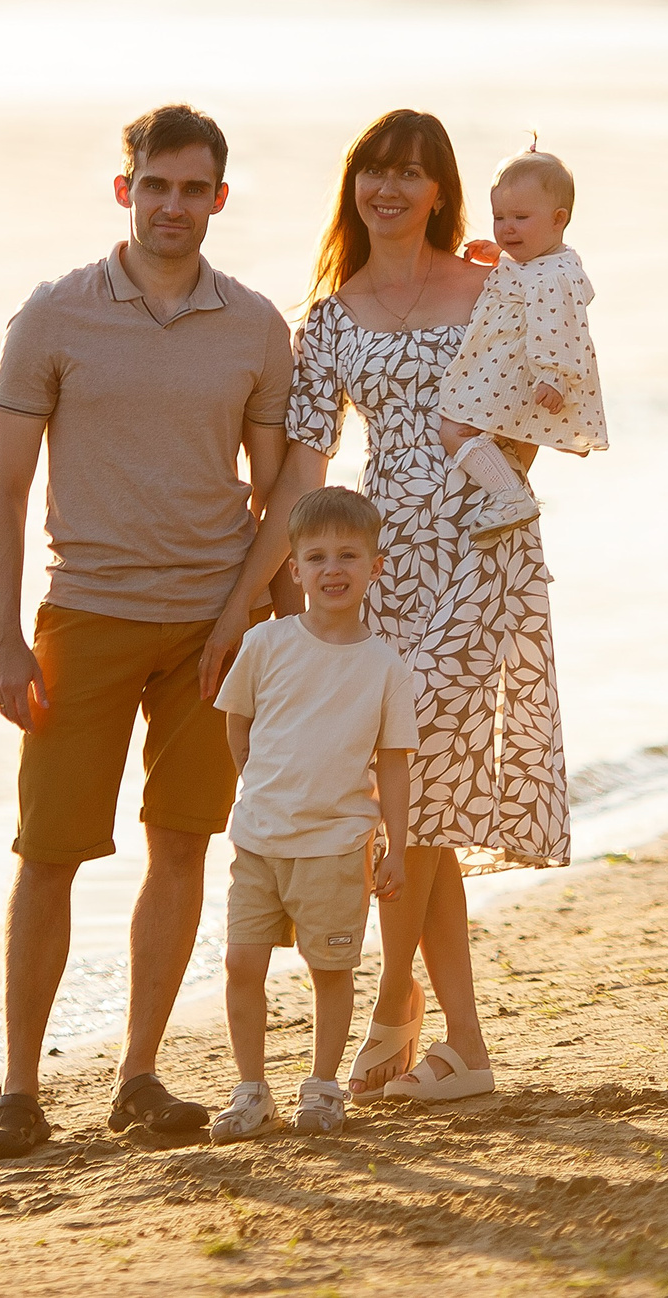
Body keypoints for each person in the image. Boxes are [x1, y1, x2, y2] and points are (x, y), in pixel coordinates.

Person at [202, 108, 571, 1107]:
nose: (391, 188)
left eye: (412, 173)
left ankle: (392, 1011)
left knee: (425, 783)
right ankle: (462, 1045)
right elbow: (303, 478)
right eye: (375, 170)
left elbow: (551, 396)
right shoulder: (328, 318)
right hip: (382, 561)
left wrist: (491, 477)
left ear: (441, 190)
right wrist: (249, 602)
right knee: (421, 801)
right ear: (354, 184)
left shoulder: (493, 288)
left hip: (481, 550)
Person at [0, 103, 296, 1161]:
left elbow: (274, 494)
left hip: (210, 627)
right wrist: (5, 638)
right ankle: (19, 1089)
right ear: (126, 190)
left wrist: (266, 622)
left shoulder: (254, 325)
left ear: (218, 196)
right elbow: (6, 491)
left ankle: (138, 1073)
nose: (173, 204)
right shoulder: (55, 315)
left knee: (181, 842)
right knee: (50, 851)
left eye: (192, 187)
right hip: (87, 616)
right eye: (155, 185)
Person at [206, 486, 415, 1142]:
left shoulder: (384, 667)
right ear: (292, 568)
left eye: (349, 556)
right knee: (242, 961)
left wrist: (398, 847)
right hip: (259, 838)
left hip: (336, 843)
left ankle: (322, 1089)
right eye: (317, 556)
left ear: (374, 568)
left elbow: (394, 764)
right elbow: (239, 726)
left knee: (331, 969)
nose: (333, 569)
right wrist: (263, 786)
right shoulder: (266, 644)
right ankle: (251, 1090)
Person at [435, 142, 608, 543]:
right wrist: (500, 254)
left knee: (455, 427)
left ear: (558, 219)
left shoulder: (552, 278)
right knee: (484, 430)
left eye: (520, 218)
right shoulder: (544, 261)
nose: (507, 227)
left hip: (523, 373)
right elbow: (527, 273)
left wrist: (554, 376)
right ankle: (511, 489)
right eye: (499, 217)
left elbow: (560, 327)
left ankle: (508, 495)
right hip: (513, 371)